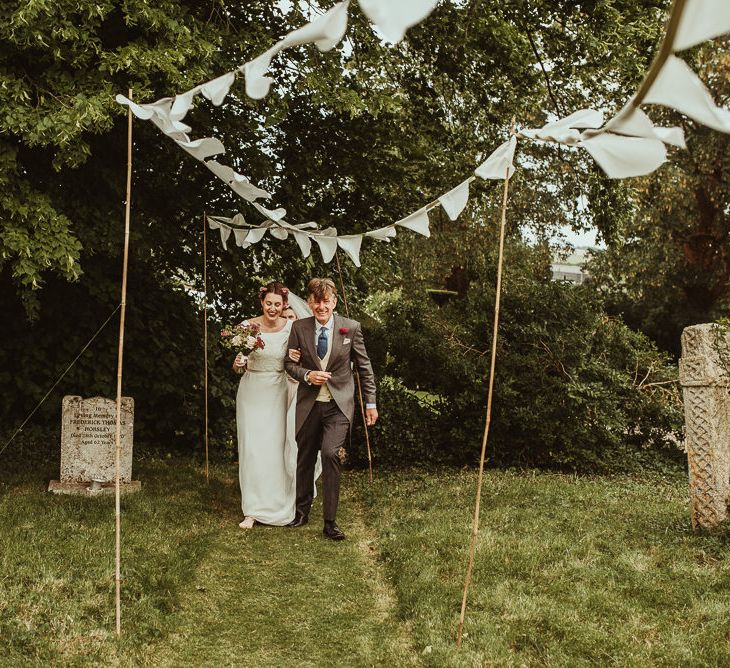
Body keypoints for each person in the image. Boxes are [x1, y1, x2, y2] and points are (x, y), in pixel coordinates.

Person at [284, 277, 378, 541]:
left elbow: (365, 369)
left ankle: (330, 522)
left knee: (330, 455)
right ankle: (301, 513)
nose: (321, 306)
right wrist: (307, 376)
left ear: (334, 302)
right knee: (304, 458)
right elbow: (289, 364)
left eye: (326, 301)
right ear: (310, 302)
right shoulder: (299, 328)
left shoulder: (351, 328)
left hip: (338, 406)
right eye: (316, 301)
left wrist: (370, 404)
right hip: (308, 405)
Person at [234, 282, 299, 529]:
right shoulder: (246, 326)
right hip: (251, 390)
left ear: (284, 305)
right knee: (251, 448)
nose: (272, 308)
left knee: (275, 447)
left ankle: (279, 502)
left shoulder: (292, 328)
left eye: (277, 304)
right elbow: (236, 366)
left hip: (279, 390)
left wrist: (296, 358)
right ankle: (251, 509)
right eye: (268, 303)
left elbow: (298, 359)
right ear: (262, 302)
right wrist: (239, 362)